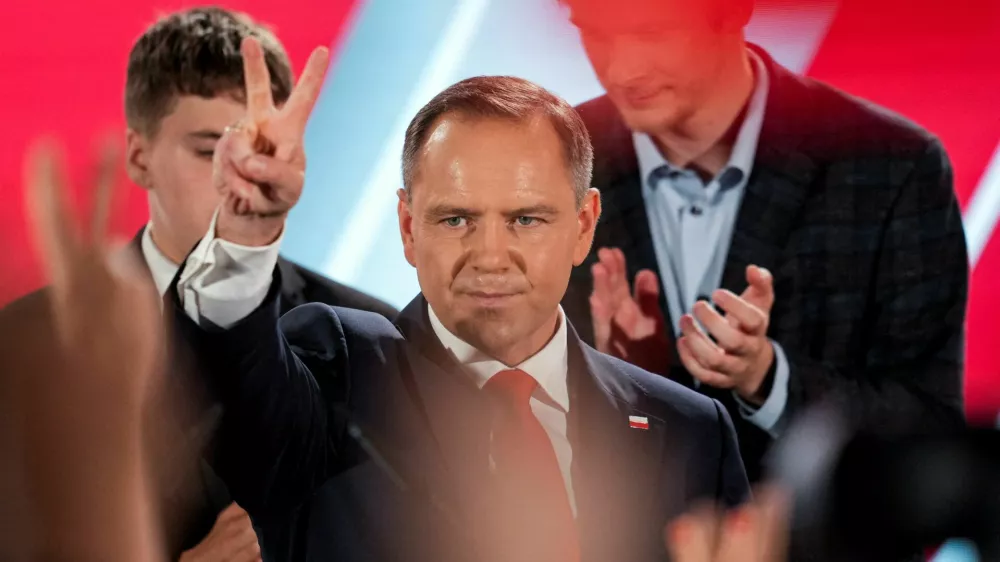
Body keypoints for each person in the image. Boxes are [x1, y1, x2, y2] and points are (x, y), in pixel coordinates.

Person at [165, 36, 750, 561]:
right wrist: (245, 232)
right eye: (455, 219)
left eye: (525, 218)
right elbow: (238, 391)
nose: (490, 255)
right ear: (408, 228)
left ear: (583, 226)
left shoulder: (691, 431)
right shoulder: (337, 376)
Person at [0, 7, 395, 561]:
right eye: (209, 150)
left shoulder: (370, 343)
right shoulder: (22, 348)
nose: (232, 174)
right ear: (139, 157)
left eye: (257, 151)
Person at [556, 0, 969, 481]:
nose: (621, 70)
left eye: (652, 33)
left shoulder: (892, 166)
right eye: (594, 32)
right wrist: (610, 387)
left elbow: (931, 436)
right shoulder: (548, 160)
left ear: (734, 11)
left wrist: (769, 381)